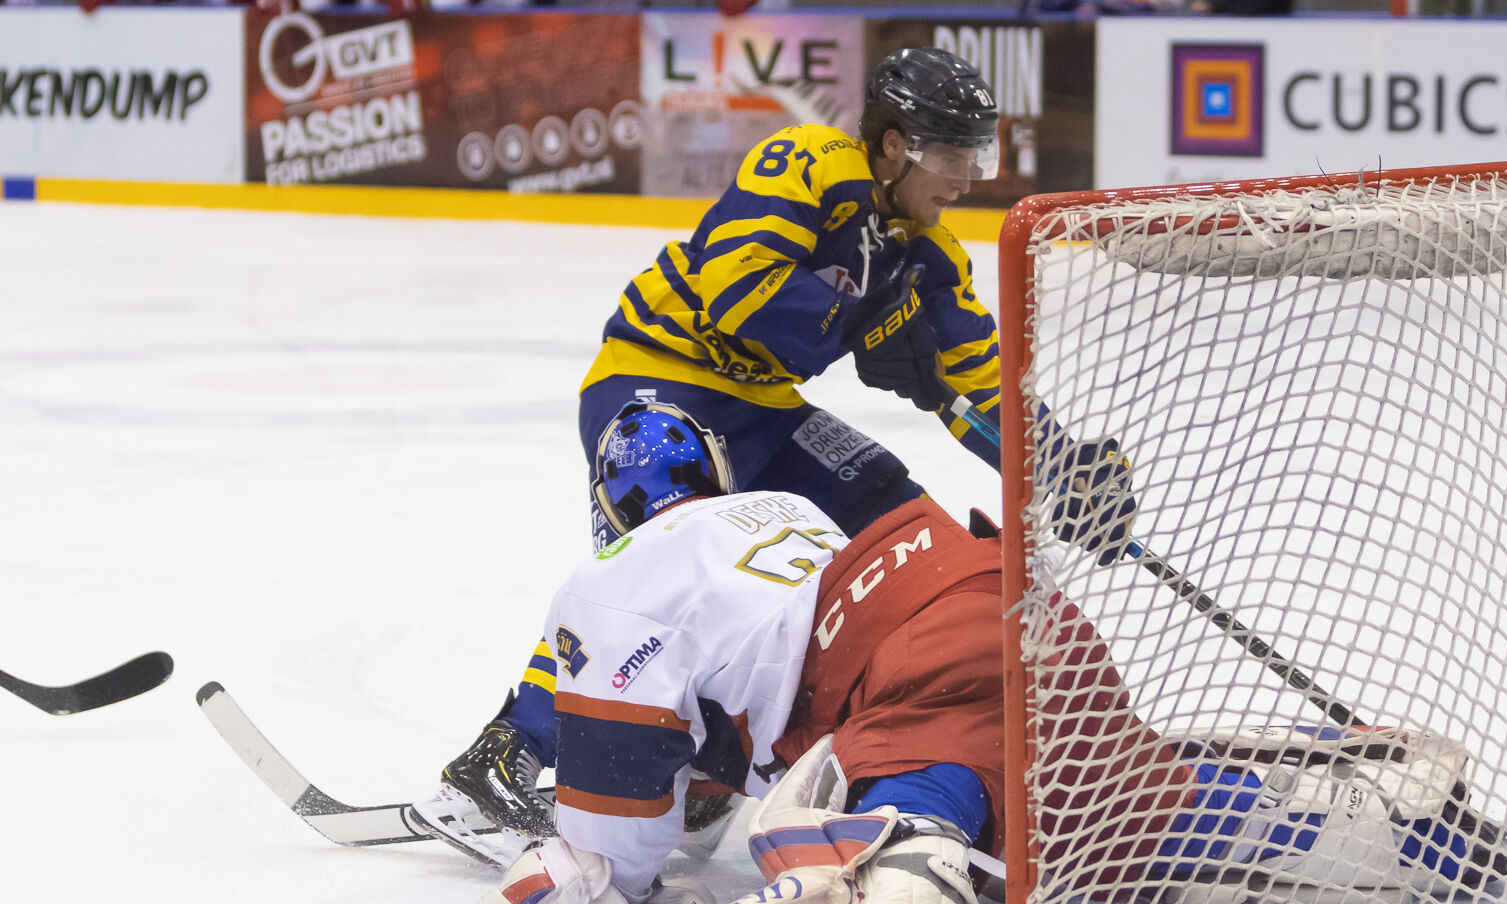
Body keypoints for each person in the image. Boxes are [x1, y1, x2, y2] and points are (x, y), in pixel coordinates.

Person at [456, 401, 1504, 904]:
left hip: (917, 661)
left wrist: (561, 879)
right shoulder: (775, 512)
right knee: (1135, 799)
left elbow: (613, 834)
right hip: (1007, 594)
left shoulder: (607, 583)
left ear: (608, 506)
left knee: (921, 798)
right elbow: (747, 684)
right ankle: (1418, 840)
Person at [415, 46, 1124, 852]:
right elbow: (735, 288)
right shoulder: (808, 162)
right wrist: (863, 317)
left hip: (765, 410)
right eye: (954, 156)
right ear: (894, 145)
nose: (968, 179)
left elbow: (975, 381)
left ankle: (732, 757)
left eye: (978, 156)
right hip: (657, 385)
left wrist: (1056, 469)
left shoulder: (929, 256)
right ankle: (506, 753)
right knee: (661, 577)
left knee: (902, 536)